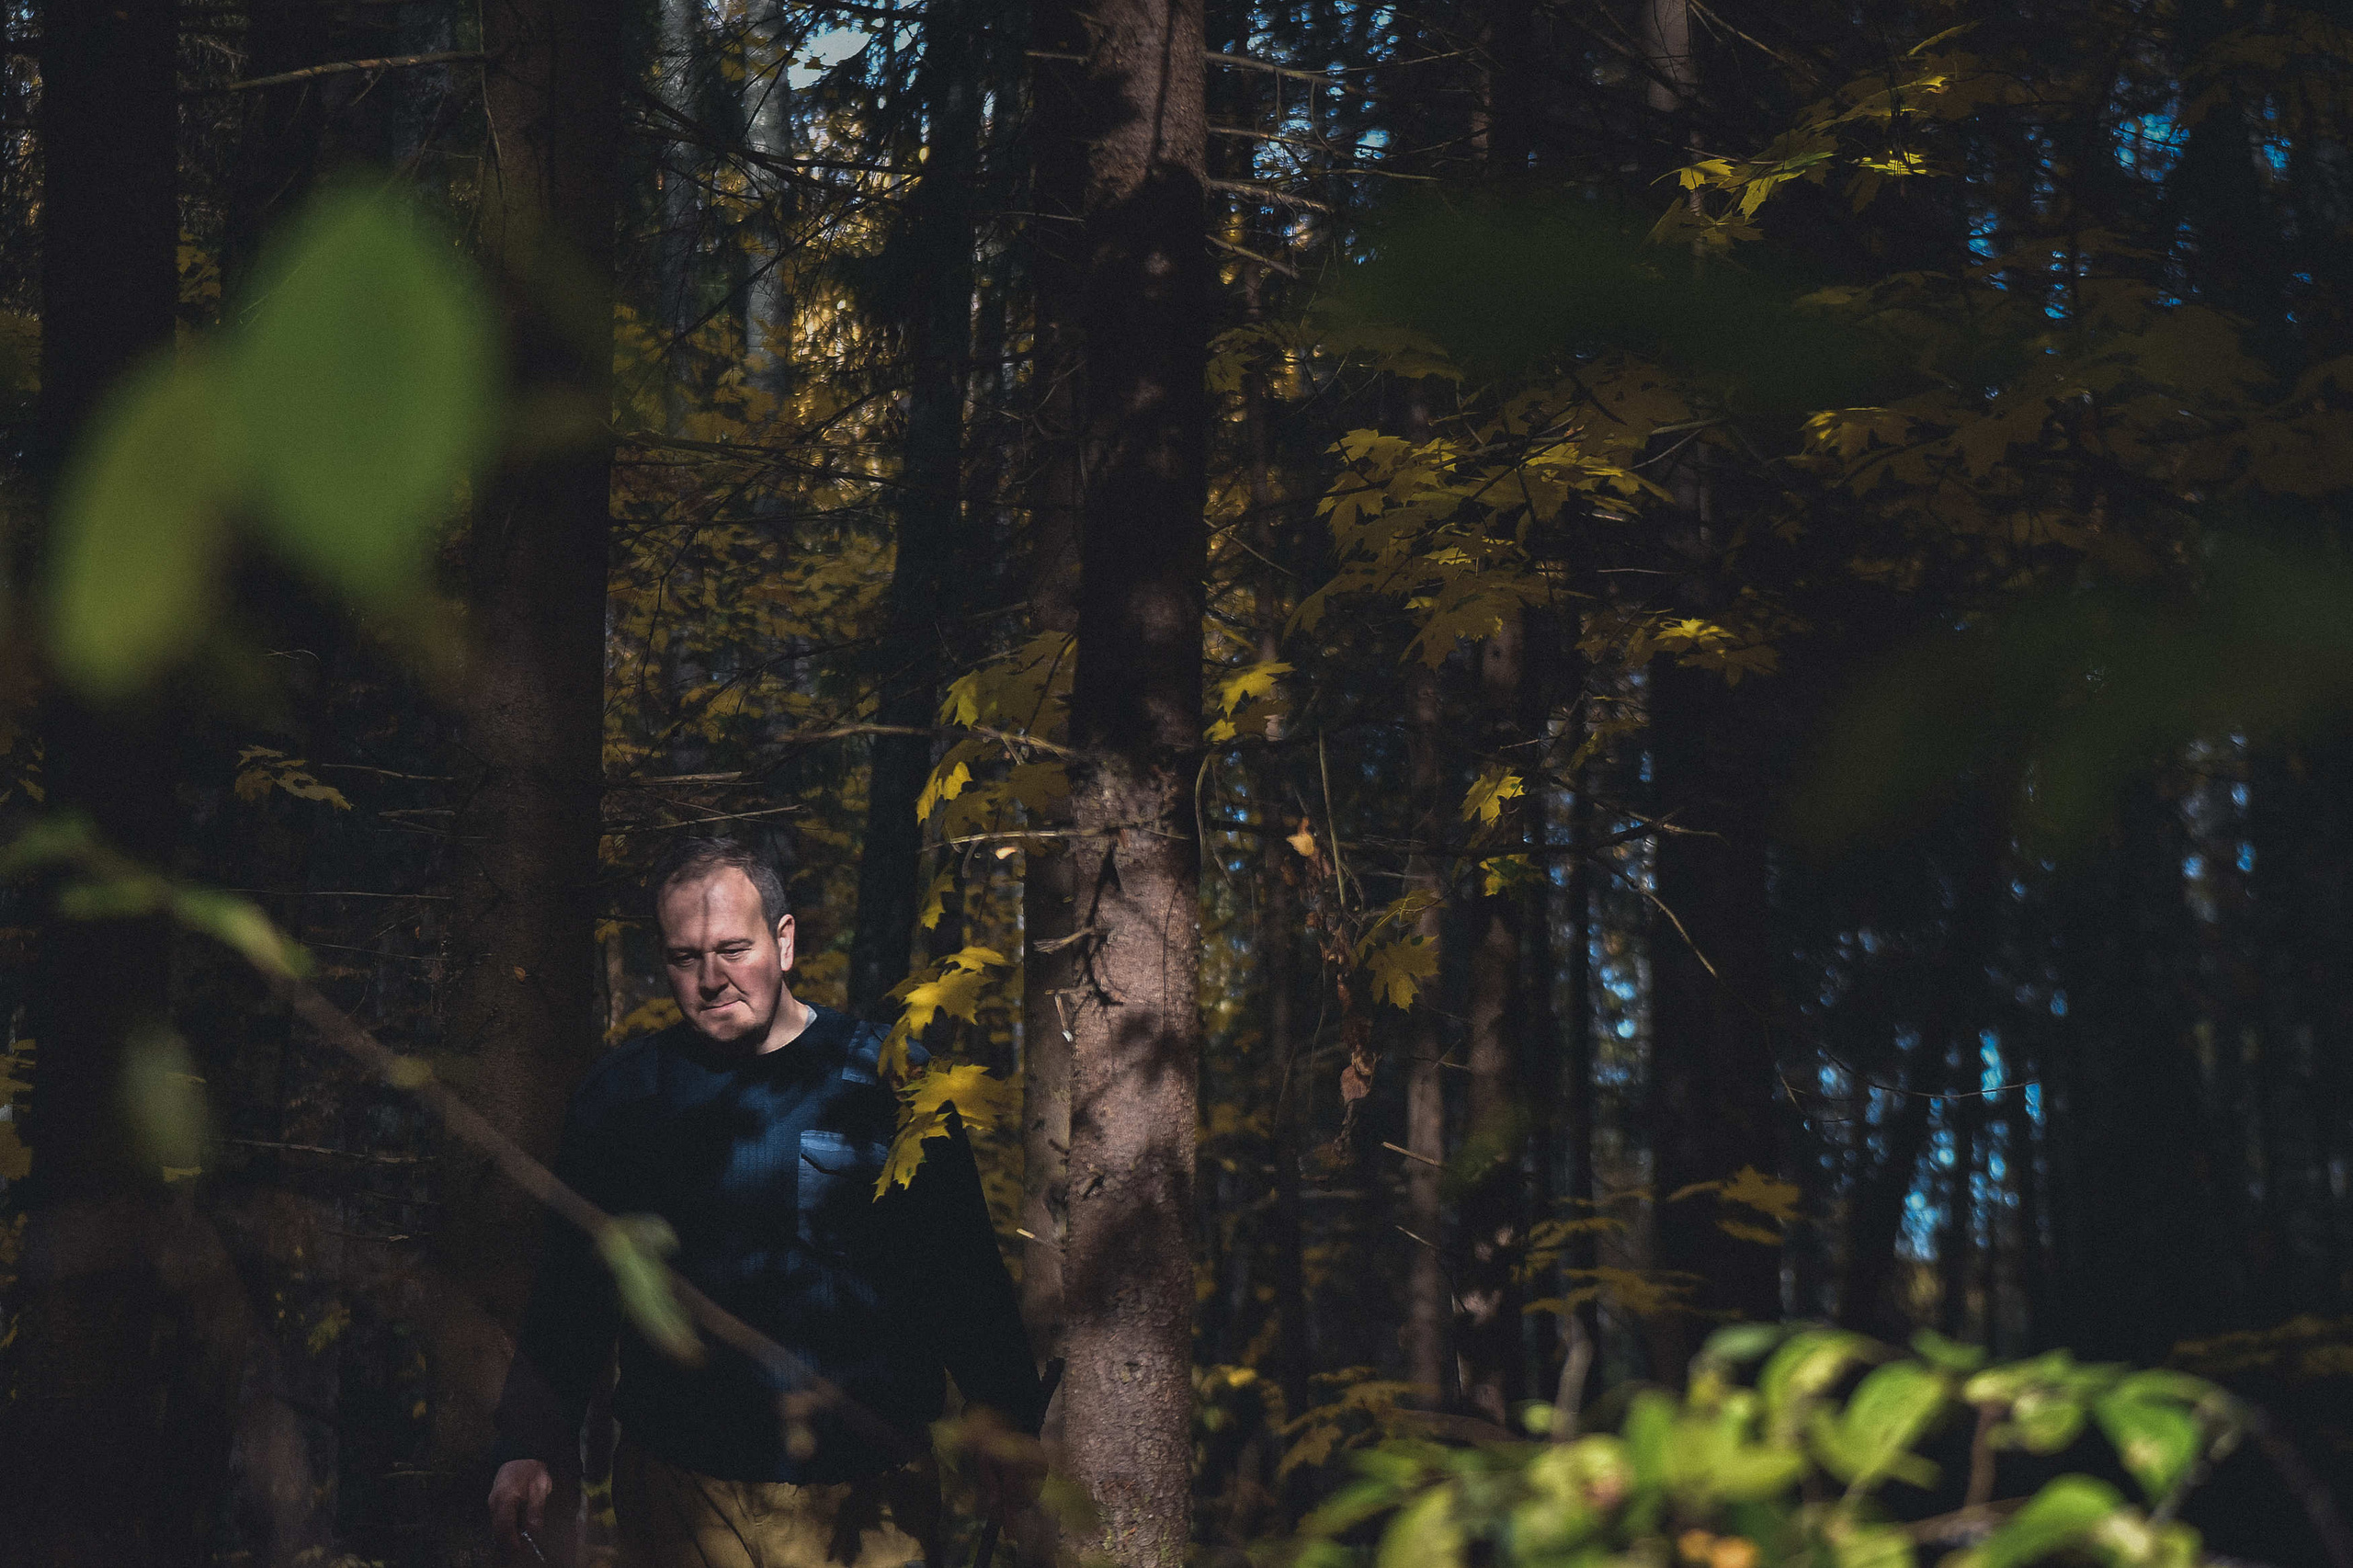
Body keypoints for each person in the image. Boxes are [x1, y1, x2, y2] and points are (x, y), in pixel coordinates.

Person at [485, 836, 1045, 1568]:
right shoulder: (624, 1098)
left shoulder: (891, 1082)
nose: (710, 978)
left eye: (732, 948)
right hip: (680, 1494)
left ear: (784, 943)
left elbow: (960, 1272)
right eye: (685, 957)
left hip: (869, 1501)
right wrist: (528, 1443)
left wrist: (1005, 1418)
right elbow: (571, 1293)